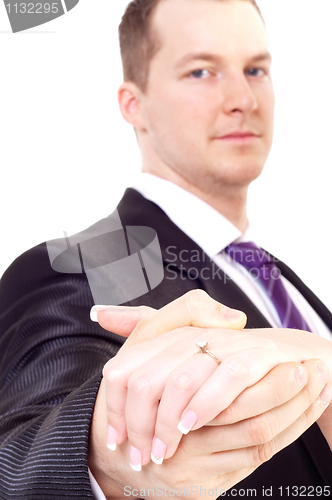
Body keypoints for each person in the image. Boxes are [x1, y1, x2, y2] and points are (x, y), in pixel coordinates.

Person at [0, 0, 331, 499]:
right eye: (201, 71)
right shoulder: (87, 263)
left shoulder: (274, 276)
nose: (243, 98)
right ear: (134, 103)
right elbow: (17, 457)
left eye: (255, 69)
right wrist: (105, 456)